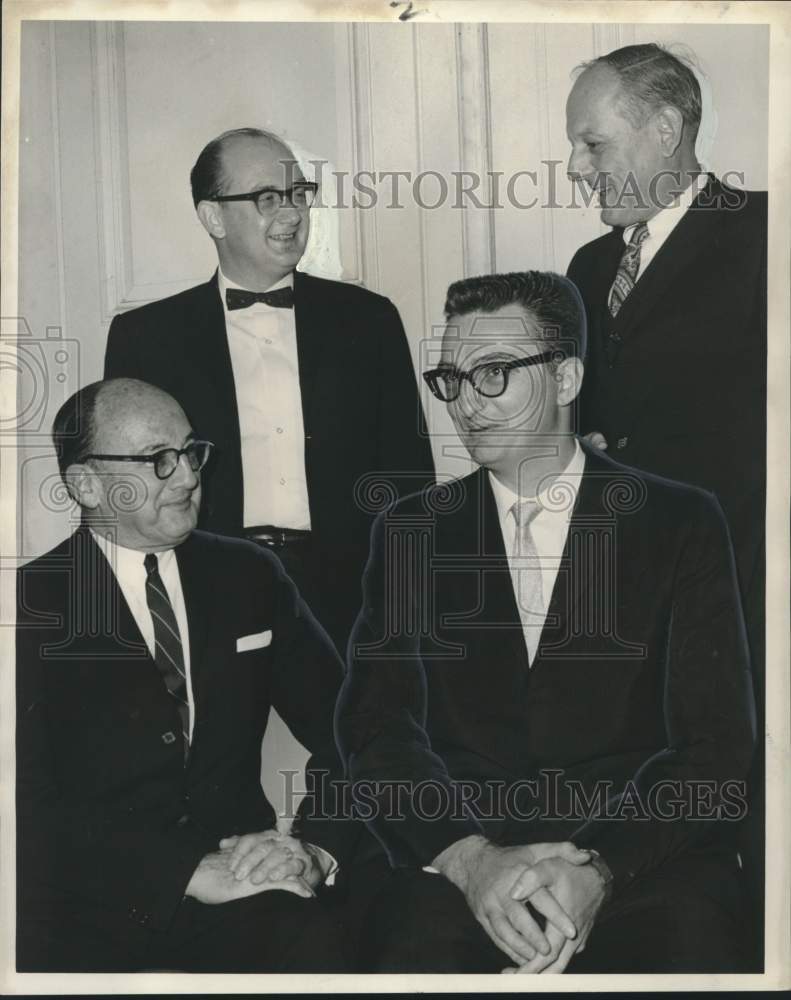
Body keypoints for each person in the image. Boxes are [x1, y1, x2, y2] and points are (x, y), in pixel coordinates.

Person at [335, 271, 756, 973]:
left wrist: (598, 870)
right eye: (451, 379)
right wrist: (472, 863)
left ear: (565, 378)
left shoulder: (678, 522)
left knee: (697, 949)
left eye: (493, 374)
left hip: (641, 863)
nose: (466, 404)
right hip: (460, 866)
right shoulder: (411, 533)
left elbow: (715, 746)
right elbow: (376, 731)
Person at [16, 378, 357, 972]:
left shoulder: (249, 576)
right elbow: (22, 806)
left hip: (250, 889)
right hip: (89, 908)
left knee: (320, 947)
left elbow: (354, 726)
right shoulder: (25, 607)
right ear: (85, 484)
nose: (189, 477)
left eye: (191, 452)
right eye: (158, 461)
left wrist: (312, 846)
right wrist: (182, 873)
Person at [564, 42, 766, 959]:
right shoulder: (584, 262)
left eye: (591, 145)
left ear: (666, 130)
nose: (576, 168)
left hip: (749, 589)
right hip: (628, 599)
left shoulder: (766, 235)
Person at [104, 127, 435, 652]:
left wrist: (403, 601)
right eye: (267, 198)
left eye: (300, 194)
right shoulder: (146, 337)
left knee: (354, 735)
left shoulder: (369, 320)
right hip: (209, 586)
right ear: (213, 216)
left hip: (350, 595)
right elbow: (129, 487)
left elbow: (408, 473)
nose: (292, 214)